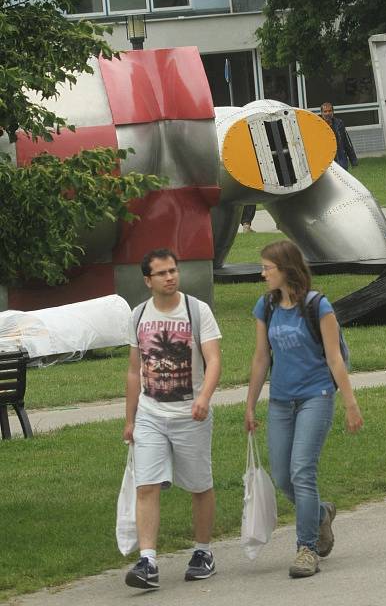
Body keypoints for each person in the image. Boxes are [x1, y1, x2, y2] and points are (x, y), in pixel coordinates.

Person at [245, 240, 363, 578]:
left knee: (302, 471)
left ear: (286, 270)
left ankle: (306, 548)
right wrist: (250, 404)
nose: (263, 273)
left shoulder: (318, 306)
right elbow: (261, 358)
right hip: (281, 401)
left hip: (316, 396)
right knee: (282, 475)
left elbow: (334, 357)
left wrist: (350, 403)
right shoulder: (265, 307)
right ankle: (321, 514)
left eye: (268, 267)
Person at [123, 247, 222, 590]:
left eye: (173, 271)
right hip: (150, 414)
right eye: (162, 273)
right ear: (148, 280)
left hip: (189, 415)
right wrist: (130, 418)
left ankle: (202, 551)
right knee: (146, 485)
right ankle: (147, 561)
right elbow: (134, 371)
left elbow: (214, 360)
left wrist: (205, 398)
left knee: (198, 485)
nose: (170, 277)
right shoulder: (138, 315)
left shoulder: (197, 310)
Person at [320, 101, 358, 170]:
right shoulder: (318, 125)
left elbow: (346, 142)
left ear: (333, 112)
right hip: (325, 159)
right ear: (321, 113)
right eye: (325, 111)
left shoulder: (339, 123)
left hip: (340, 157)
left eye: (329, 111)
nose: (327, 113)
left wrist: (353, 160)